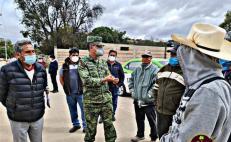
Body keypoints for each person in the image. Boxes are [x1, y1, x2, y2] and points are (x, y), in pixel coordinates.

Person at [160, 23, 231, 142]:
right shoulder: (202, 83)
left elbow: (189, 138)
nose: (181, 52)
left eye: (185, 48)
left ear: (193, 55)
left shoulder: (209, 91)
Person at [0, 39, 48, 142]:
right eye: (27, 52)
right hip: (18, 119)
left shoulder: (41, 69)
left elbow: (43, 88)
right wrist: (14, 106)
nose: (32, 54)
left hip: (38, 117)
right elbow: (2, 95)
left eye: (33, 51)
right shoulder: (7, 70)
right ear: (18, 55)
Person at [78, 36, 117, 142]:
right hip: (91, 103)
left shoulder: (103, 62)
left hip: (106, 101)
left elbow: (108, 75)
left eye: (101, 46)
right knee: (90, 131)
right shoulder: (83, 62)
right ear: (91, 47)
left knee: (109, 127)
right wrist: (104, 79)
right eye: (99, 46)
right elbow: (86, 80)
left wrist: (113, 79)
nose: (101, 49)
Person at [153, 45, 185, 138]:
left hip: (175, 113)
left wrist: (179, 110)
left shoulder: (185, 72)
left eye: (175, 55)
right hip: (161, 112)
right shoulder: (163, 69)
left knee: (174, 137)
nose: (172, 57)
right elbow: (156, 88)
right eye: (171, 54)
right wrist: (157, 103)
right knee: (162, 135)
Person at [129, 50, 159, 142]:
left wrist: (148, 96)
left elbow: (156, 85)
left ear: (151, 58)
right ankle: (140, 135)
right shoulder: (137, 69)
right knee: (139, 118)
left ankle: (154, 136)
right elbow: (131, 81)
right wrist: (133, 92)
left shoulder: (155, 70)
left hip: (149, 101)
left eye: (147, 57)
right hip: (137, 100)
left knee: (151, 120)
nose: (145, 58)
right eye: (144, 56)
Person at [59, 47, 86, 133]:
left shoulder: (82, 64)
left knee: (84, 110)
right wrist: (65, 87)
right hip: (70, 93)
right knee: (72, 110)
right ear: (69, 56)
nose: (75, 56)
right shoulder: (65, 65)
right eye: (73, 55)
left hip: (81, 92)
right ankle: (76, 125)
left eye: (76, 55)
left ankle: (85, 126)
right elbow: (61, 78)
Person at [107, 50, 125, 121]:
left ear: (116, 56)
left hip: (115, 87)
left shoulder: (118, 65)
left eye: (114, 55)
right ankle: (103, 117)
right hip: (105, 87)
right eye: (111, 55)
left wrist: (119, 85)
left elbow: (122, 76)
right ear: (108, 55)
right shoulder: (104, 64)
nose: (112, 56)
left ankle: (112, 115)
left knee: (114, 102)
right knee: (105, 103)